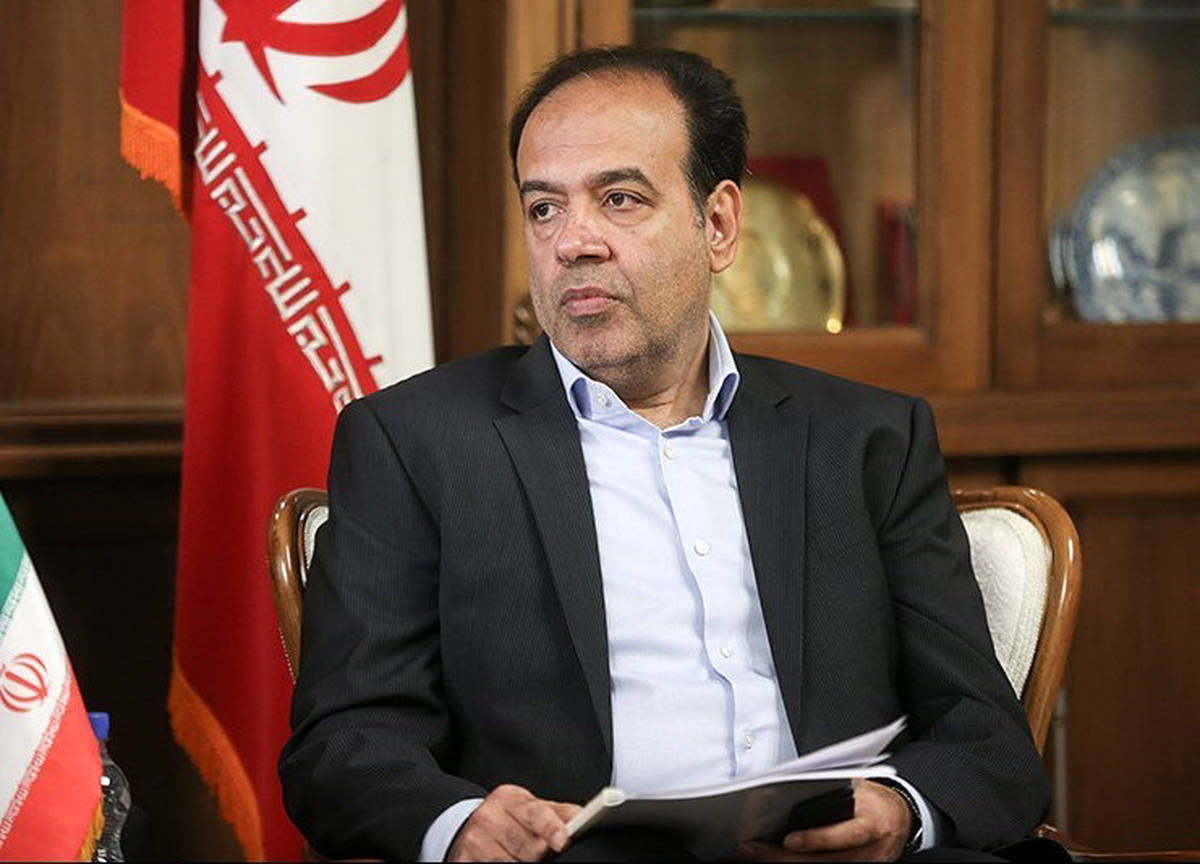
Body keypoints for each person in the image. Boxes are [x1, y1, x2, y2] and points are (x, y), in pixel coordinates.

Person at [279, 47, 1052, 862]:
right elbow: (345, 746)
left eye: (619, 199)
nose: (573, 241)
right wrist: (461, 823)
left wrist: (898, 811)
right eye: (544, 208)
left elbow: (986, 740)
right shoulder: (415, 443)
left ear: (718, 225)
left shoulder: (867, 440)